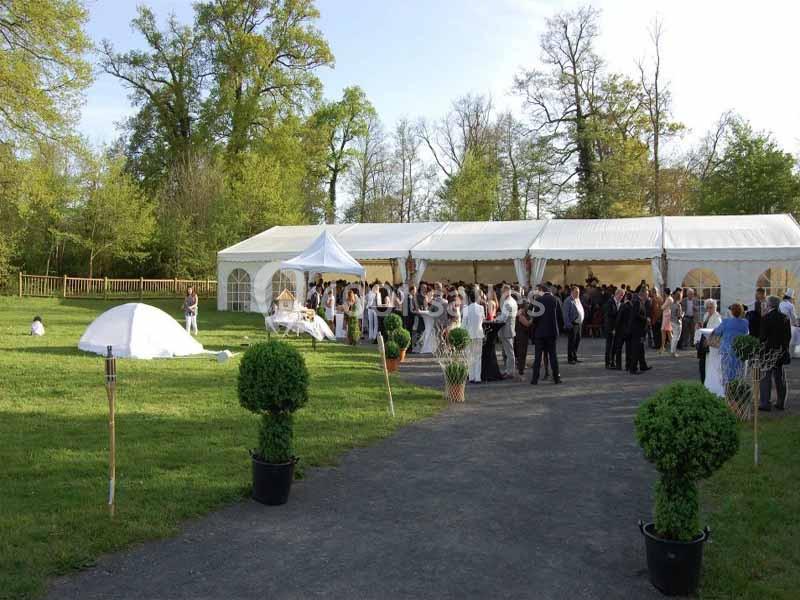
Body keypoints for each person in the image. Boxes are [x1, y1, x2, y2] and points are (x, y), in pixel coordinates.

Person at [759, 295, 791, 411]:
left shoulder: (766, 318)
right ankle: (781, 402)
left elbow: (762, 337)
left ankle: (765, 403)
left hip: (768, 352)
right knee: (780, 378)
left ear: (769, 305)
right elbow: (788, 337)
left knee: (765, 379)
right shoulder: (785, 317)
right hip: (780, 351)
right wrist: (784, 348)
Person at [712, 303, 750, 385]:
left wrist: (714, 330)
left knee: (727, 373)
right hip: (740, 350)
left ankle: (728, 393)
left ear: (731, 312)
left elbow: (718, 331)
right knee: (739, 373)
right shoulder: (745, 323)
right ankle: (738, 391)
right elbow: (747, 333)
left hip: (727, 350)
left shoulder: (726, 321)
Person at [531, 284, 561, 385]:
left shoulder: (538, 300)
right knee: (553, 356)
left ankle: (535, 379)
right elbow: (560, 317)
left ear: (541, 290)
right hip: (552, 332)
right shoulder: (555, 300)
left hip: (540, 333)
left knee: (538, 357)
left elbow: (535, 317)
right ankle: (556, 378)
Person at [462, 287, 485, 383]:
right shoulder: (481, 308)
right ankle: (477, 377)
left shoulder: (466, 309)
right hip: (478, 334)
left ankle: (471, 376)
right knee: (478, 356)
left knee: (470, 356)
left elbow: (464, 324)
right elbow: (482, 320)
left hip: (469, 334)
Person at [495, 284, 518, 378]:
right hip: (510, 328)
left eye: (502, 292)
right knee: (508, 352)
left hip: (506, 329)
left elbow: (504, 317)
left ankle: (510, 372)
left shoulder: (508, 303)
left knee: (509, 352)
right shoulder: (513, 301)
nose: (501, 294)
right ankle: (508, 370)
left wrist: (496, 319)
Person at [697, 299, 722, 383]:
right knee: (702, 366)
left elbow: (717, 333)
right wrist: (700, 326)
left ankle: (707, 384)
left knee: (708, 367)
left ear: (715, 307)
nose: (709, 309)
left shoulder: (717, 318)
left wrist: (709, 341)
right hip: (703, 343)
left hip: (710, 345)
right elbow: (705, 326)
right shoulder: (706, 315)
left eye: (711, 307)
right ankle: (703, 383)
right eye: (707, 307)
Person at [628, 288, 651, 374]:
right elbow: (635, 315)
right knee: (636, 349)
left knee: (641, 349)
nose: (648, 296)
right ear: (643, 294)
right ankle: (633, 368)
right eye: (647, 294)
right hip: (636, 330)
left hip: (640, 330)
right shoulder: (637, 302)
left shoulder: (641, 302)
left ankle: (643, 365)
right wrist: (646, 320)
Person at [563, 285, 584, 364]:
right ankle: (570, 358)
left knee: (577, 340)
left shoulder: (577, 299)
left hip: (579, 324)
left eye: (578, 292)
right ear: (572, 292)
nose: (578, 293)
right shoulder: (568, 300)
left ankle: (574, 356)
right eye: (576, 292)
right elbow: (565, 314)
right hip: (572, 324)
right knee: (571, 341)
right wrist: (568, 325)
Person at [603, 288, 623, 369]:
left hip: (616, 328)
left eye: (622, 295)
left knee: (614, 346)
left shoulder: (619, 303)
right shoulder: (610, 302)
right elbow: (609, 315)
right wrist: (618, 312)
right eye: (621, 295)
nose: (622, 297)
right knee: (609, 346)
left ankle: (612, 362)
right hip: (610, 327)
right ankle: (607, 363)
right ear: (616, 294)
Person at [513, 301, 532, 381]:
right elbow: (527, 324)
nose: (528, 307)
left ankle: (520, 373)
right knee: (521, 355)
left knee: (522, 355)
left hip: (523, 336)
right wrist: (533, 319)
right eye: (527, 306)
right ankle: (521, 374)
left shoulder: (522, 313)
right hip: (521, 337)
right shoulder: (520, 315)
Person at [614, 292, 632, 371]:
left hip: (621, 330)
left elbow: (619, 318)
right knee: (629, 349)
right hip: (629, 330)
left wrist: (615, 328)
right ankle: (628, 365)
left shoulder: (622, 306)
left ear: (625, 298)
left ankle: (618, 365)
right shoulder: (632, 306)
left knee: (619, 348)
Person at [669, 289, 685, 357]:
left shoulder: (671, 304)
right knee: (676, 338)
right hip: (677, 322)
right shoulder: (678, 305)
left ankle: (672, 351)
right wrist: (683, 314)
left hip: (671, 321)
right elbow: (679, 316)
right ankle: (673, 352)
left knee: (674, 337)